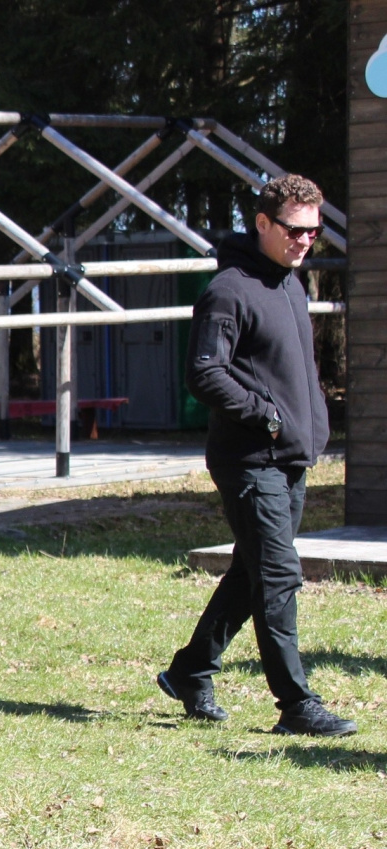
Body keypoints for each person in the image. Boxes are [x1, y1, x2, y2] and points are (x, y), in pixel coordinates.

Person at [158, 174, 355, 737]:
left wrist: (309, 423)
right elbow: (205, 373)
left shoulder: (291, 283)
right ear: (263, 223)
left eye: (314, 231)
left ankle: (190, 670)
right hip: (250, 460)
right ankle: (295, 704)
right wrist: (265, 415)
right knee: (278, 575)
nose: (305, 241)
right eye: (294, 230)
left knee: (252, 572)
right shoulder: (229, 290)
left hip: (290, 458)